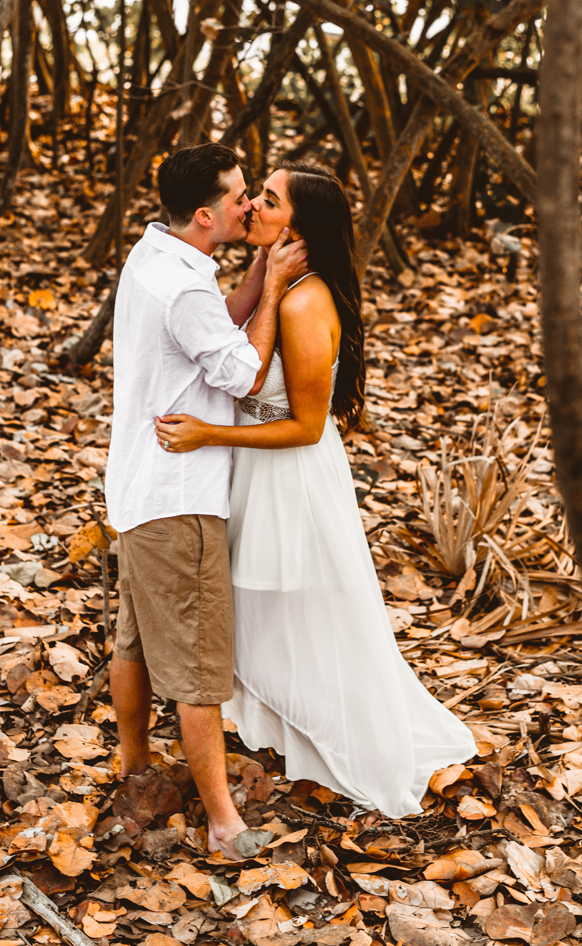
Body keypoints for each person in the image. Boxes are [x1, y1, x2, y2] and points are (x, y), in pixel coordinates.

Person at [155, 163, 477, 816]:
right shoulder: (287, 284)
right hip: (259, 474)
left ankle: (341, 742)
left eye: (267, 202)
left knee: (304, 619)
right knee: (264, 619)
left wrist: (209, 438)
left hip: (289, 478)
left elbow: (305, 427)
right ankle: (289, 734)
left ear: (296, 229)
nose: (251, 208)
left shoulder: (305, 303)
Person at [105, 142, 308, 860]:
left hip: (134, 488)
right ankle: (223, 820)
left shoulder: (154, 254)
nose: (249, 203)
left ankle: (135, 771)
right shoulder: (184, 288)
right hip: (179, 497)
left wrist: (257, 269)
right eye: (238, 195)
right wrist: (279, 285)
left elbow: (212, 325)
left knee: (133, 640)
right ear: (204, 213)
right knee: (197, 665)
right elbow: (245, 372)